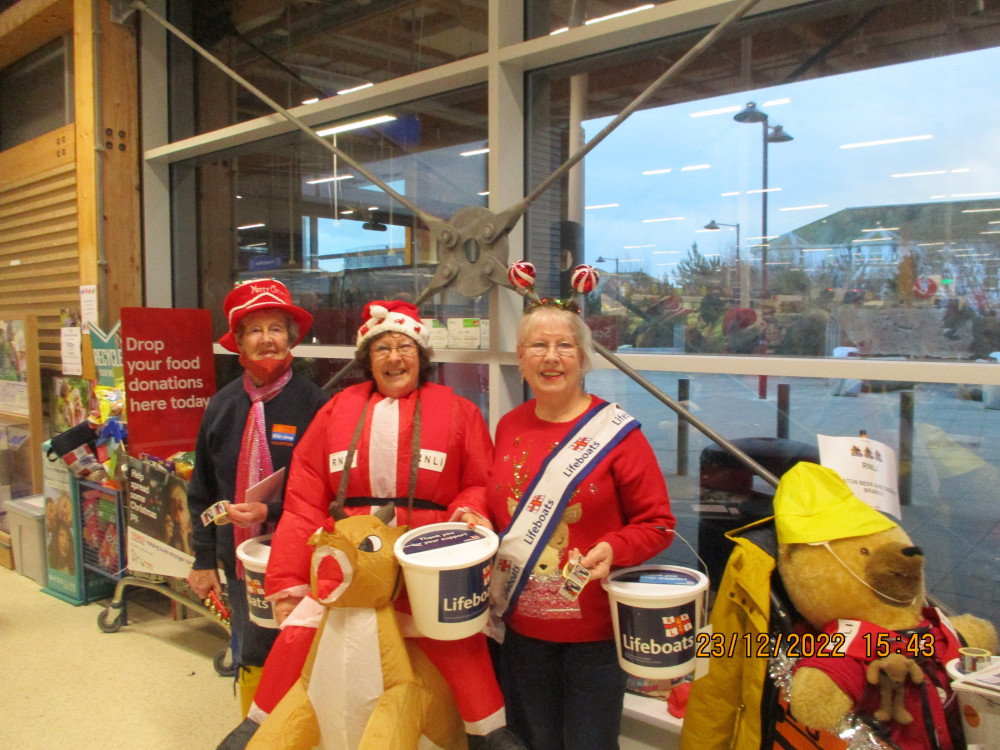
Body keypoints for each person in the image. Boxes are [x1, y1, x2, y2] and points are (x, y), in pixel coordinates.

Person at [224, 299, 525, 750]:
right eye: (382, 348)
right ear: (368, 360)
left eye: (404, 346)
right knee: (298, 634)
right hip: (351, 558)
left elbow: (479, 481)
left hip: (425, 554)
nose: (393, 357)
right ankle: (256, 724)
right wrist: (287, 582)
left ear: (420, 357)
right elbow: (305, 501)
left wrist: (469, 514)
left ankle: (488, 732)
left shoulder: (459, 411)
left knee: (459, 642)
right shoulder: (335, 411)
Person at [462, 299, 675, 750]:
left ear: (583, 358)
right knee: (532, 740)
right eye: (538, 345)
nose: (551, 357)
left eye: (564, 345)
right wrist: (475, 512)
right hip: (520, 631)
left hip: (594, 635)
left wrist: (616, 547)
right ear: (520, 358)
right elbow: (495, 495)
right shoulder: (508, 426)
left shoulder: (618, 434)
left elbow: (658, 524)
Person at [185, 278, 328, 715]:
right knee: (249, 650)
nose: (267, 339)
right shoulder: (221, 407)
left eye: (276, 329)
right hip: (240, 559)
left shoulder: (318, 405)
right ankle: (256, 732)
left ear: (291, 340)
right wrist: (204, 558)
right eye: (255, 330)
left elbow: (330, 494)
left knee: (304, 653)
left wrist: (272, 510)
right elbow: (202, 489)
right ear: (239, 344)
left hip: (303, 557)